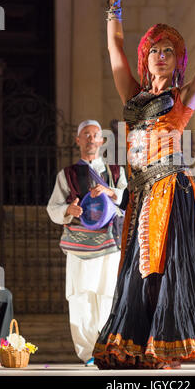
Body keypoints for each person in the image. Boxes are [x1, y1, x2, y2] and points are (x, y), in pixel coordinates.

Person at [92, 0, 195, 369]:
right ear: (146, 59)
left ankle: (166, 350)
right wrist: (114, 4)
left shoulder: (183, 98)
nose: (161, 55)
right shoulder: (134, 95)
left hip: (170, 190)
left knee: (165, 268)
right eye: (155, 49)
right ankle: (136, 345)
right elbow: (114, 50)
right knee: (137, 269)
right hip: (140, 193)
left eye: (169, 50)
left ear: (177, 61)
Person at [47, 120, 127, 365]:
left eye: (95, 135)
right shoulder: (67, 174)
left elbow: (125, 196)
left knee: (106, 295)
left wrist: (109, 191)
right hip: (79, 245)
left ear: (102, 141)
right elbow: (53, 208)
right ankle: (89, 353)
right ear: (78, 140)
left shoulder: (115, 172)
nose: (91, 139)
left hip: (109, 243)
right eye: (86, 135)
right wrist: (69, 209)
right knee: (81, 296)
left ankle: (107, 348)